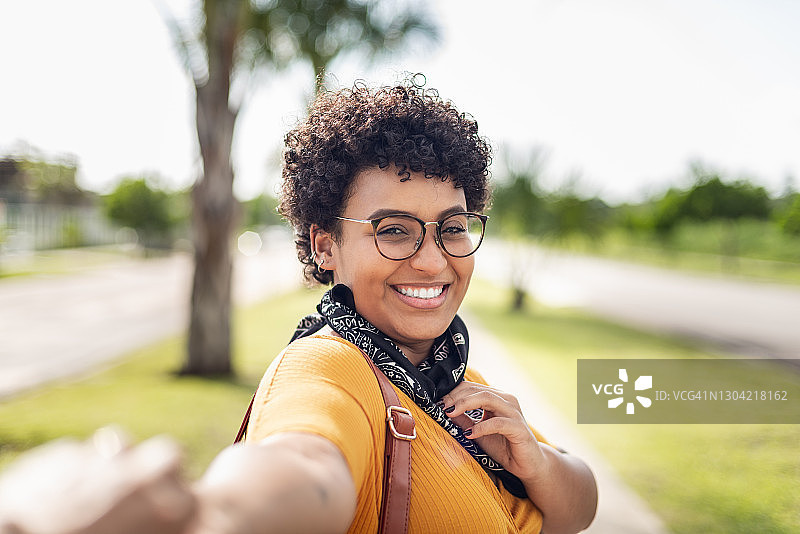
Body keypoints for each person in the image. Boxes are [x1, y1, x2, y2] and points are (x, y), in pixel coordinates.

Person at [0, 77, 597, 534]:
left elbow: (581, 504)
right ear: (326, 245)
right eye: (394, 229)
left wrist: (536, 462)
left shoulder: (452, 378)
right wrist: (208, 514)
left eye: (453, 227)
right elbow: (304, 464)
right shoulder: (329, 367)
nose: (434, 260)